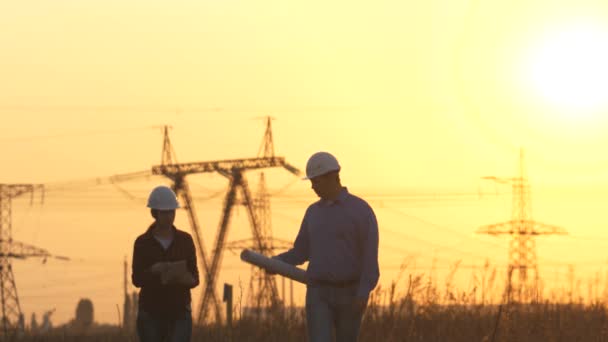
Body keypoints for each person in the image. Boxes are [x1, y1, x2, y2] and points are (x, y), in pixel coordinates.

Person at [273, 152, 380, 342]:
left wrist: (363, 293)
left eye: (316, 181)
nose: (313, 186)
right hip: (318, 293)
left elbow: (369, 259)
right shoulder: (313, 213)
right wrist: (274, 263)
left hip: (351, 294)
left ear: (332, 177)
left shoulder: (361, 212)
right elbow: (300, 252)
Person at [132, 185, 200, 342]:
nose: (169, 216)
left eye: (171, 212)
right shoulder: (143, 243)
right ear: (155, 213)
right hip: (151, 312)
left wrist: (181, 277)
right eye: (165, 212)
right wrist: (154, 271)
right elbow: (137, 279)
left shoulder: (185, 241)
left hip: (179, 311)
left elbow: (195, 278)